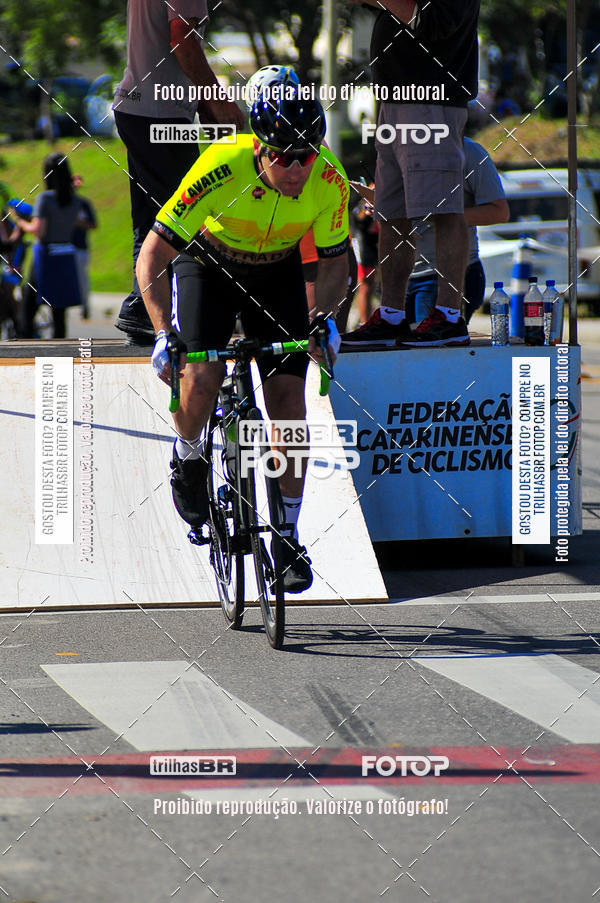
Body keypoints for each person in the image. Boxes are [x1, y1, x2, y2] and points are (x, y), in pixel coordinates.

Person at [136, 94, 349, 593]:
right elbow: (152, 257)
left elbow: (337, 260)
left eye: (306, 155)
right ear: (259, 148)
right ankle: (188, 456)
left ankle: (288, 534)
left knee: (289, 404)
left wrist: (325, 317)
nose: (296, 168)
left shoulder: (328, 179)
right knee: (202, 375)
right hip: (208, 264)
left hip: (276, 274)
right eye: (282, 156)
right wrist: (164, 332)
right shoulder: (220, 166)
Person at [345, 0, 480, 346]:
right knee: (392, 214)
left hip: (431, 100)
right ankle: (391, 315)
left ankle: (450, 317)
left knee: (444, 210)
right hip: (393, 99)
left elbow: (430, 21)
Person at [113, 0, 245, 346]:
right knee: (182, 216)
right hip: (160, 114)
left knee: (152, 215)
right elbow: (182, 39)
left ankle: (142, 308)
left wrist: (205, 106)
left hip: (139, 107)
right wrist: (218, 101)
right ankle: (152, 309)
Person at [403, 138, 509, 331]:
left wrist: (437, 215)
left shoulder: (469, 152)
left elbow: (499, 212)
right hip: (407, 274)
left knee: (431, 353)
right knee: (409, 352)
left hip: (443, 275)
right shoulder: (398, 148)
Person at [16, 154, 86, 339]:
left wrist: (20, 222)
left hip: (46, 255)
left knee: (28, 304)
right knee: (59, 309)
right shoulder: (74, 199)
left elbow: (38, 230)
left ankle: (25, 346)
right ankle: (60, 350)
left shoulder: (45, 198)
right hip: (65, 254)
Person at [350, 184, 378, 325]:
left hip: (377, 240)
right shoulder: (365, 201)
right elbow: (360, 217)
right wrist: (369, 201)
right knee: (366, 284)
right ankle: (365, 322)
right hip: (363, 240)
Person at [71, 174, 97, 319]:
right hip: (62, 247)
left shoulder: (83, 204)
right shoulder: (59, 203)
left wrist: (76, 222)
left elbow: (93, 224)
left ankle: (85, 306)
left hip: (80, 247)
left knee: (82, 278)